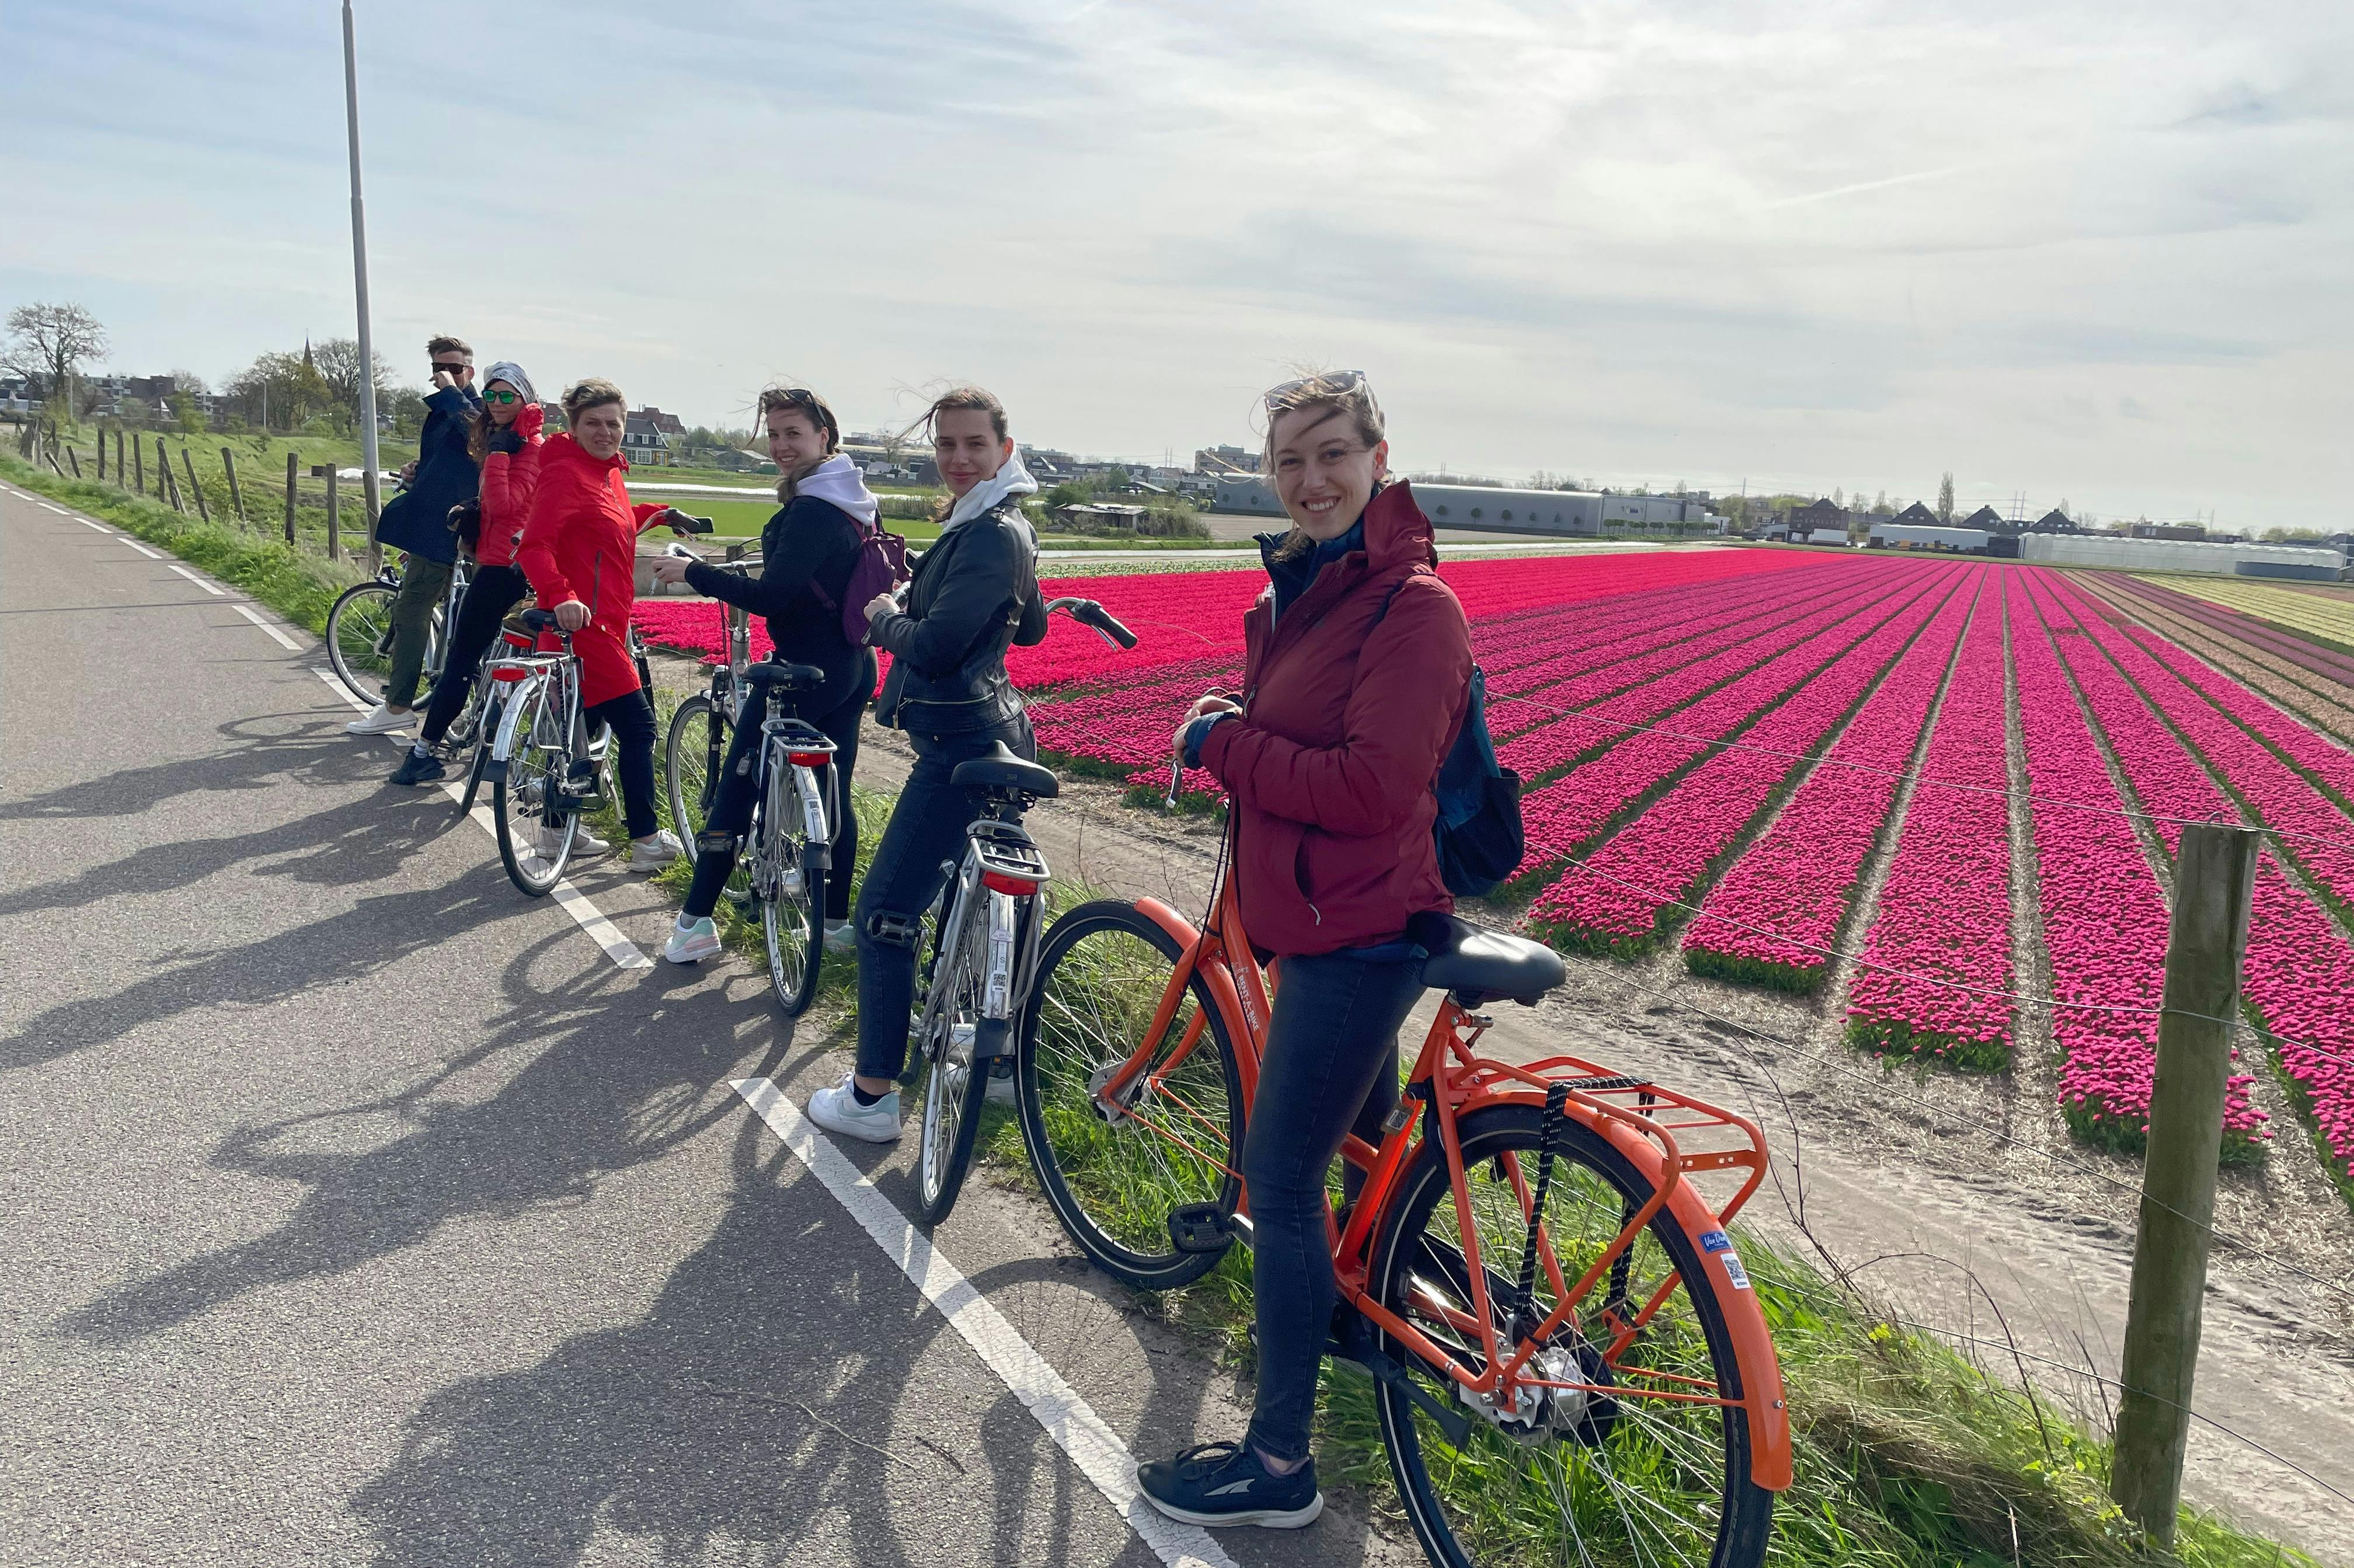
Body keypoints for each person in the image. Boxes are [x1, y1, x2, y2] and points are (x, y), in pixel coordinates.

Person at [1136, 372, 1471, 1531]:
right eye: (1289, 461)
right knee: (1353, 1160)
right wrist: (1242, 710)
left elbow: (1374, 786)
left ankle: (1280, 1465)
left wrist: (1227, 746)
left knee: (1278, 1184)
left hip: (1357, 936)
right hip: (1326, 922)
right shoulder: (1314, 591)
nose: (1311, 479)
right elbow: (1314, 723)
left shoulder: (1411, 604)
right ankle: (1347, 1310)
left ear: (1380, 456)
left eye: (1332, 453)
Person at [805, 385, 1047, 1144]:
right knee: (973, 901)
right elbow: (1031, 628)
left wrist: (885, 617)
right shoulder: (1004, 524)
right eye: (946, 445)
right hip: (1002, 732)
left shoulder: (985, 533)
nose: (958, 458)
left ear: (1004, 450)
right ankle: (995, 1059)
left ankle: (873, 1094)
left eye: (974, 444)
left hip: (958, 745)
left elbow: (935, 649)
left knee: (884, 914)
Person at [652, 385, 879, 963]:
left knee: (738, 787)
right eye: (774, 434)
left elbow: (774, 595)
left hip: (799, 672)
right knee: (834, 798)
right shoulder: (851, 497)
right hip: (853, 665)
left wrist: (693, 573)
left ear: (824, 435)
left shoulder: (809, 510)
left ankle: (696, 922)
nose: (781, 444)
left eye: (793, 433)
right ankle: (833, 925)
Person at [513, 378, 688, 869]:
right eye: (593, 423)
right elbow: (535, 546)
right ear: (572, 426)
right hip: (588, 628)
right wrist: (563, 596)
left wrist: (658, 513)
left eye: (614, 423)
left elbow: (609, 523)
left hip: (604, 621)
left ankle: (552, 830)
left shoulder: (606, 472)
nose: (606, 431)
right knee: (638, 729)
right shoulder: (564, 474)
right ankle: (647, 842)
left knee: (581, 728)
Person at [389, 360, 544, 786]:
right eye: (490, 395)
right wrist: (473, 510)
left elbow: (509, 506)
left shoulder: (525, 447)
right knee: (479, 657)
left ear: (525, 399)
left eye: (506, 396)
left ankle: (423, 752)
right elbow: (504, 507)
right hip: (496, 559)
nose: (495, 403)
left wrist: (497, 457)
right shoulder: (509, 440)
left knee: (462, 658)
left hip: (506, 568)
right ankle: (483, 735)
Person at [347, 334, 483, 735]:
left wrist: (454, 393)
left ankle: (398, 705)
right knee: (441, 611)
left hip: (453, 528)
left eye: (454, 368)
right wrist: (417, 470)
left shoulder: (473, 406)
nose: (445, 376)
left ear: (469, 371)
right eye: (438, 370)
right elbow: (451, 461)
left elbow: (478, 438)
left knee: (413, 610)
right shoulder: (446, 409)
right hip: (443, 524)